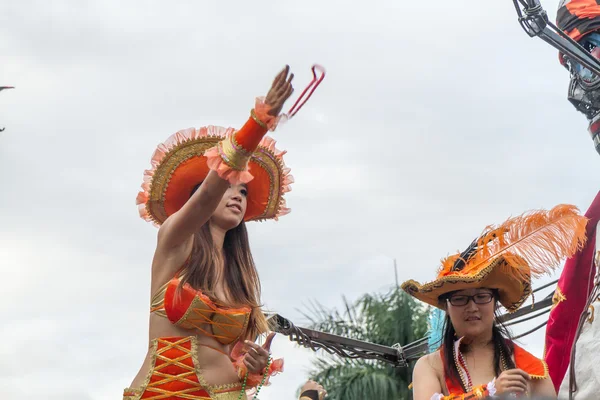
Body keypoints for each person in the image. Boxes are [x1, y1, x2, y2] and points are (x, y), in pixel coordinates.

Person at [124, 66, 324, 400]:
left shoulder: (238, 275)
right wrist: (259, 123)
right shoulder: (175, 239)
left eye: (243, 192)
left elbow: (234, 358)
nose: (236, 195)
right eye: (228, 187)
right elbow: (206, 197)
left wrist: (253, 366)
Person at [401, 204, 588, 399]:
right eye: (460, 299)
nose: (472, 307)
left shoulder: (531, 369)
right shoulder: (430, 366)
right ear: (446, 307)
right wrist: (489, 393)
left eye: (481, 297)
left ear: (495, 302)